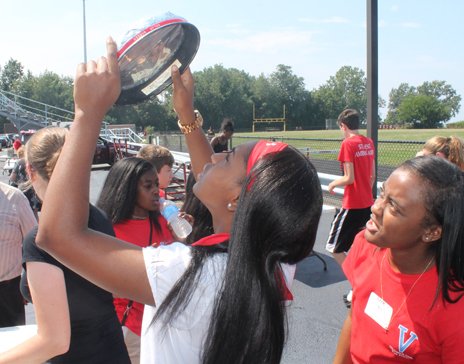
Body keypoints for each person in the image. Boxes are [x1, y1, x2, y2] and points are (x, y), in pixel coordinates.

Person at [35, 37, 322, 364]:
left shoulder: (187, 271)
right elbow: (213, 179)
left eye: (227, 158)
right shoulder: (278, 258)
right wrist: (186, 115)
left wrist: (87, 114)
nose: (213, 160)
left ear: (237, 202)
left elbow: (57, 235)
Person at [332, 156, 464, 364]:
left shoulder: (459, 310)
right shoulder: (366, 248)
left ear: (432, 231)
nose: (376, 207)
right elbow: (354, 316)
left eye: (393, 207)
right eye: (382, 193)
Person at [0, 127, 131, 364]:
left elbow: (55, 341)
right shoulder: (97, 217)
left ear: (30, 171)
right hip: (113, 352)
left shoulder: (41, 239)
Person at [96, 157, 175, 364]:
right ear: (127, 189)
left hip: (166, 325)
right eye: (147, 186)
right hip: (131, 327)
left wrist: (182, 240)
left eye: (156, 184)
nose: (156, 191)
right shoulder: (106, 229)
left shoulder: (165, 220)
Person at [325, 109, 375, 306]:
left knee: (333, 247)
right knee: (360, 246)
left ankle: (358, 284)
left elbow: (349, 178)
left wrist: (332, 184)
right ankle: (363, 284)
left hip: (352, 204)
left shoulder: (347, 144)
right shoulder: (368, 142)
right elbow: (370, 177)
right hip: (367, 203)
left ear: (343, 126)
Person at [0, 182, 37, 329]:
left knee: (11, 346)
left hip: (7, 293)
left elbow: (35, 245)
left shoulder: (15, 199)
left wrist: (28, 284)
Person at [9, 146, 42, 220]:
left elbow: (12, 178)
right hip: (34, 188)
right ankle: (36, 229)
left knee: (23, 213)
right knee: (34, 213)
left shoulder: (19, 162)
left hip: (23, 189)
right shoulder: (34, 161)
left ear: (20, 154)